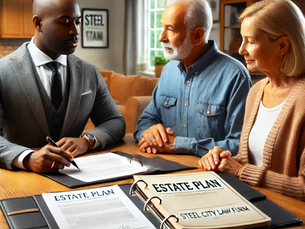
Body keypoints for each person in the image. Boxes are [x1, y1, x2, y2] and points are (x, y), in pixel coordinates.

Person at [0, 0, 125, 173]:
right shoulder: (2, 71)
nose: (75, 31)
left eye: (78, 22)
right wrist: (27, 158)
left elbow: (115, 121)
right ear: (38, 23)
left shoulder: (89, 72)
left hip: (78, 177)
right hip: (20, 181)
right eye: (65, 23)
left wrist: (87, 140)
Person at [199, 0, 305, 201]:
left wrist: (240, 171)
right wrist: (223, 158)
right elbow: (248, 161)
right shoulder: (256, 91)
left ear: (282, 45)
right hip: (251, 201)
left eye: (251, 41)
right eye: (242, 40)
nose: (241, 50)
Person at [134, 0, 252, 156]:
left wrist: (180, 145)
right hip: (162, 167)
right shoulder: (168, 70)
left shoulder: (236, 76)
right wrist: (150, 133)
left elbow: (240, 145)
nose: (161, 37)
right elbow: (145, 122)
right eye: (162, 27)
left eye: (170, 29)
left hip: (210, 173)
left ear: (197, 35)